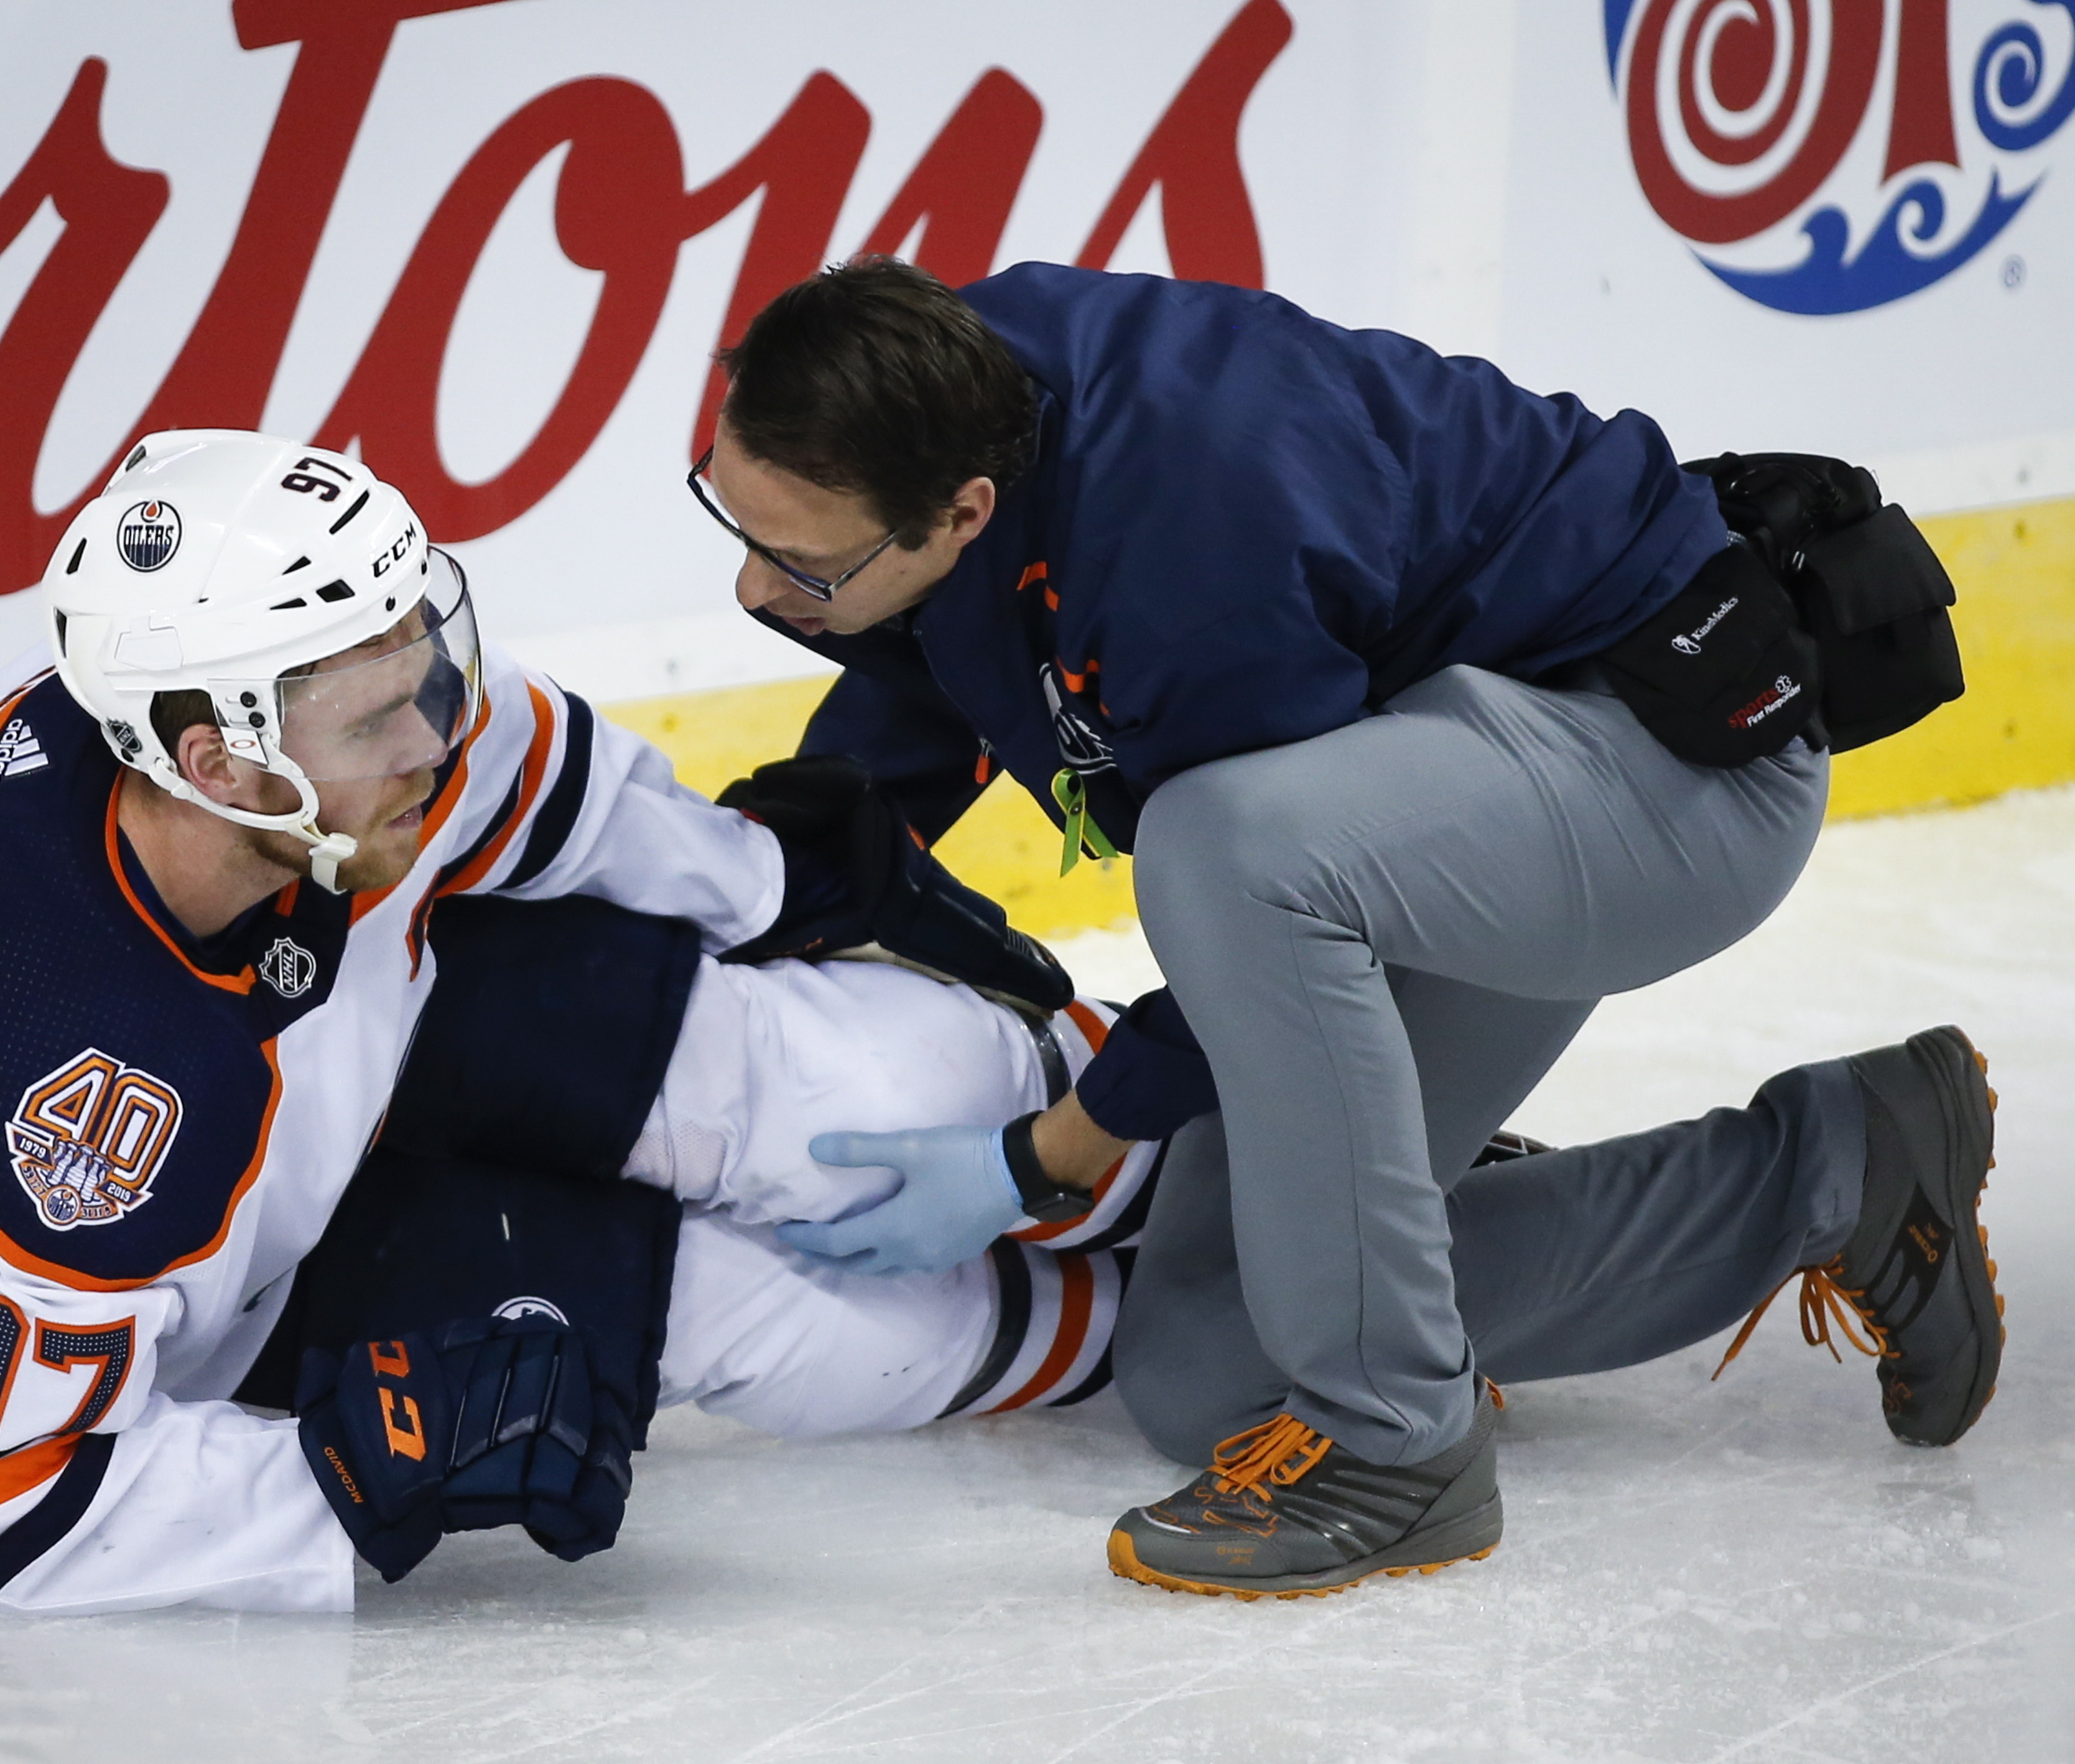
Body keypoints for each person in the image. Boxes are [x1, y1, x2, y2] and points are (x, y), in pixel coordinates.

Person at [687, 256, 2005, 1600]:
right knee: (1209, 1362)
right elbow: (950, 663)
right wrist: (743, 883)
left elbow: (1253, 907)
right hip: (1433, 788)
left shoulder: (1194, 535)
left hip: (1658, 779)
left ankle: (1395, 1450)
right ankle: (1842, 1166)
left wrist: (1037, 1159)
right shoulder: (944, 394)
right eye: (727, 521)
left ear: (960, 507)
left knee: (1214, 847)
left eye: (793, 559)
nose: (750, 589)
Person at [0, 429, 1140, 1614]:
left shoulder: (241, 735)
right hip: (72, 1290)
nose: (431, 735)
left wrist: (769, 881)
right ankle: (1155, 1327)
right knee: (740, 1313)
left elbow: (515, 769)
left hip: (277, 1031)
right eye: (381, 712)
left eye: (420, 666)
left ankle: (1166, 1146)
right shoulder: (60, 1117)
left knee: (848, 1072)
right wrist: (340, 1471)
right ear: (221, 760)